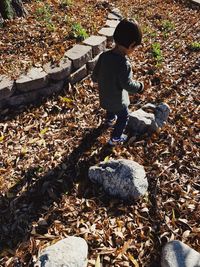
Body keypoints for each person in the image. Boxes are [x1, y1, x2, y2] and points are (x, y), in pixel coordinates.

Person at [92, 18, 144, 145]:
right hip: (118, 102)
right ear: (131, 45)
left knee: (111, 108)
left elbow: (95, 75)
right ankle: (115, 138)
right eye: (135, 47)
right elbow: (128, 85)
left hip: (104, 97)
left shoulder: (104, 56)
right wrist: (140, 87)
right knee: (124, 116)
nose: (134, 50)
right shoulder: (124, 64)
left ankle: (109, 120)